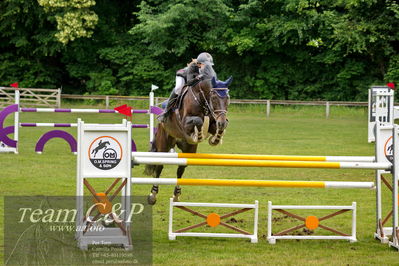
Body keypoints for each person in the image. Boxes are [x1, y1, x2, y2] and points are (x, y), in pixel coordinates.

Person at [159, 52, 217, 122]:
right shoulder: (193, 67)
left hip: (194, 80)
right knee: (178, 88)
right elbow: (189, 83)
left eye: (208, 65)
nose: (207, 67)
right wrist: (198, 77)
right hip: (183, 76)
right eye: (205, 65)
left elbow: (213, 81)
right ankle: (166, 112)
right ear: (199, 63)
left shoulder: (208, 69)